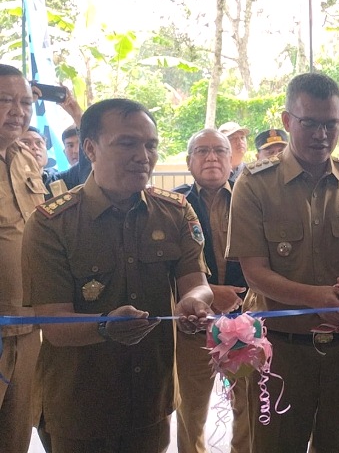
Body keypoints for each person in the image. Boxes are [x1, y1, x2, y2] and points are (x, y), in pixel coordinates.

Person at [24, 98, 213, 453]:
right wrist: (105, 326)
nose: (143, 155)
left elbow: (197, 284)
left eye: (151, 145)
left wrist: (194, 303)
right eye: (127, 143)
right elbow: (54, 326)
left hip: (150, 403)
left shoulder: (175, 212)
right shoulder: (53, 224)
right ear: (90, 149)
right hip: (80, 408)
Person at [226, 72, 339, 452]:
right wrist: (315, 297)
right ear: (286, 120)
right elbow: (255, 273)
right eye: (309, 123)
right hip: (282, 352)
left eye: (331, 124)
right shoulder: (254, 184)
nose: (321, 134)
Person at [173, 129, 250, 453]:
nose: (211, 158)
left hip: (245, 321)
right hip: (194, 322)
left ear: (231, 159)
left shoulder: (251, 199)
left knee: (247, 405)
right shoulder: (174, 205)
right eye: (202, 151)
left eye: (219, 151)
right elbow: (167, 267)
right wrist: (210, 291)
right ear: (189, 162)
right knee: (191, 409)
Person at [0, 64, 47, 452]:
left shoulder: (26, 158)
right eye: (5, 100)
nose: (18, 110)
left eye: (25, 102)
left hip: (29, 326)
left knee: (17, 436)